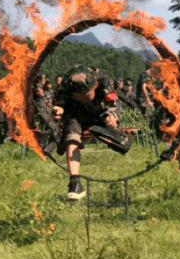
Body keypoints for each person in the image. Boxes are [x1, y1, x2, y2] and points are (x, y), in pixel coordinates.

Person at [53, 65, 130, 201]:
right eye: (79, 97)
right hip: (75, 113)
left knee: (122, 143)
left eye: (86, 96)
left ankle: (108, 135)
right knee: (71, 137)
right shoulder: (66, 85)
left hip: (100, 112)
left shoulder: (105, 83)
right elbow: (59, 102)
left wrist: (112, 117)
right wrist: (59, 109)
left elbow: (113, 103)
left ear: (95, 85)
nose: (83, 99)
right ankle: (75, 183)